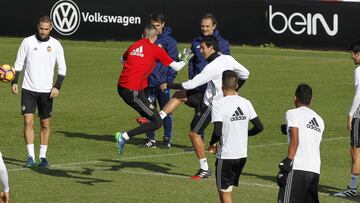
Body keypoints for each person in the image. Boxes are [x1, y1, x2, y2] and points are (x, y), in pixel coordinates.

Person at [158, 35, 250, 180]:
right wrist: (235, 90)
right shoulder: (227, 58)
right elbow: (245, 73)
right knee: (180, 95)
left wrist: (168, 84)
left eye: (202, 48)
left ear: (211, 47)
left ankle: (204, 168)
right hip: (206, 97)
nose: (200, 51)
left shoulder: (212, 67)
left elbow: (191, 84)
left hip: (212, 105)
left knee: (194, 133)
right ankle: (158, 118)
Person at [115, 24, 192, 156]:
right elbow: (177, 67)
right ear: (155, 38)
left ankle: (145, 119)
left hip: (128, 87)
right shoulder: (156, 49)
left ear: (142, 35)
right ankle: (123, 136)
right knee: (157, 121)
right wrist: (185, 58)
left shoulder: (134, 46)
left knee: (153, 115)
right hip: (131, 91)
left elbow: (121, 60)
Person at [11, 16, 67, 167]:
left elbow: (62, 68)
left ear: (51, 28)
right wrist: (15, 81)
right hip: (28, 89)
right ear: (38, 27)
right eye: (41, 28)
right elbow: (18, 62)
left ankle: (42, 157)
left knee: (45, 123)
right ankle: (30, 156)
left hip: (47, 91)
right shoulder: (27, 42)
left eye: (46, 29)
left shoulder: (56, 45)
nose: (43, 32)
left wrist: (57, 87)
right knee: (28, 121)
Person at [208, 70, 263, 203]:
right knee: (227, 190)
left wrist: (211, 143)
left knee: (224, 193)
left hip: (227, 156)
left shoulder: (219, 104)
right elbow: (259, 127)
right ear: (237, 86)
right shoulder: (246, 102)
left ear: (222, 86)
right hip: (242, 156)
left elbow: (217, 131)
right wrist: (245, 133)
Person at [277, 84, 325, 203]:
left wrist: (287, 163)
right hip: (314, 170)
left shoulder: (292, 113)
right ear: (311, 100)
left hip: (298, 168)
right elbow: (310, 138)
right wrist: (288, 129)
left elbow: (295, 140)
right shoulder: (319, 120)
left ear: (295, 98)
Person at [188, 13, 230, 142]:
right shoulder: (196, 42)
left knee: (218, 117)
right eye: (202, 26)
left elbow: (227, 65)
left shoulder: (222, 43)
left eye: (207, 26)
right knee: (198, 116)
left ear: (214, 26)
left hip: (215, 89)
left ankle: (220, 142)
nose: (204, 29)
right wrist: (193, 80)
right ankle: (198, 142)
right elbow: (192, 63)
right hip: (199, 87)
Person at [139, 12, 179, 149]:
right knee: (148, 111)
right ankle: (151, 140)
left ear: (163, 24)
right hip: (147, 83)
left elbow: (174, 64)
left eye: (157, 25)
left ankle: (167, 139)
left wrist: (167, 81)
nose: (155, 28)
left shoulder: (169, 42)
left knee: (166, 111)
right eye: (152, 25)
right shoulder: (146, 39)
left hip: (162, 84)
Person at [334, 40, 360, 197]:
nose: (351, 57)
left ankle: (352, 188)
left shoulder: (359, 71)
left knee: (355, 152)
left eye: (352, 54)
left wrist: (350, 114)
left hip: (359, 116)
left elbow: (359, 95)